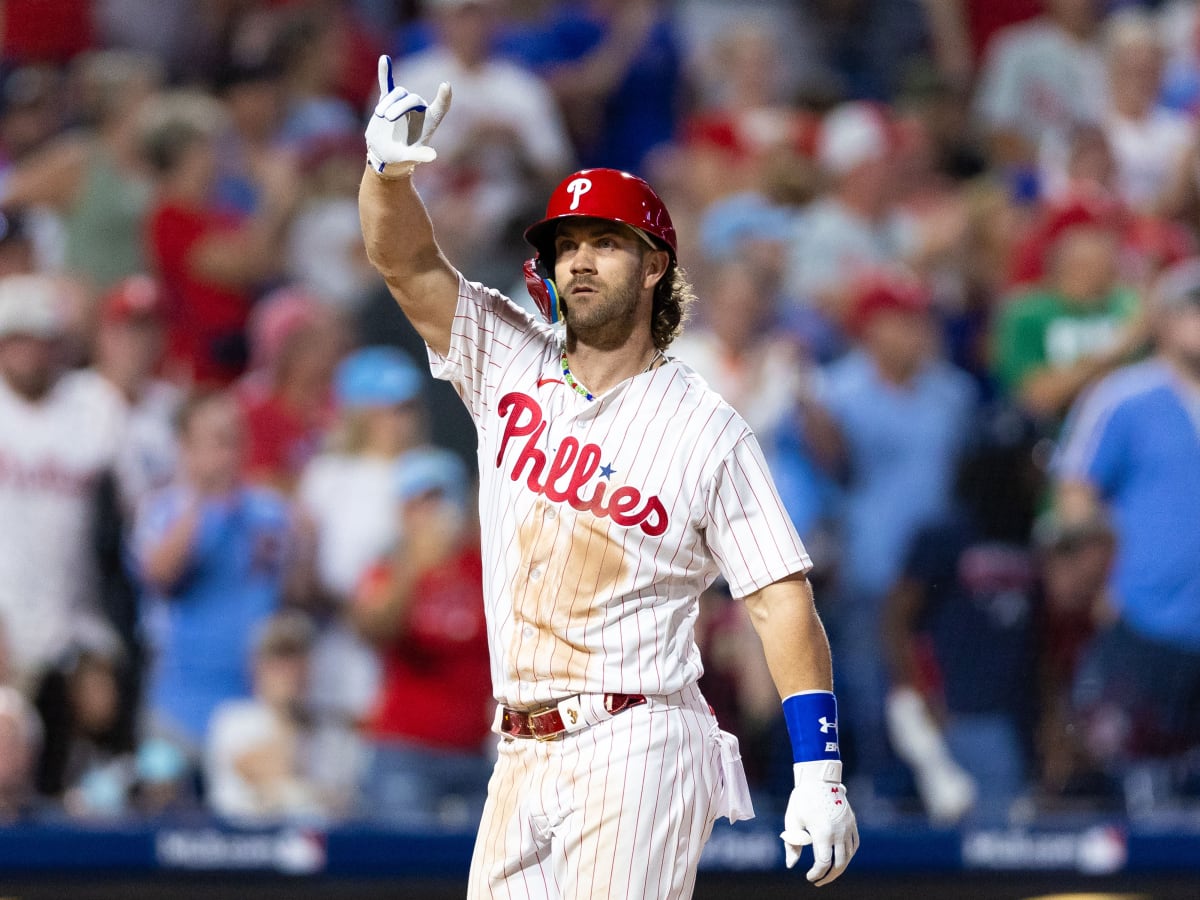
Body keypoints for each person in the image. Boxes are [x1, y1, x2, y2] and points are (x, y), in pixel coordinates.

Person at [359, 58, 858, 895]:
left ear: (656, 265)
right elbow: (407, 265)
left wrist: (820, 770)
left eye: (604, 244)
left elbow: (778, 597)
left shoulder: (706, 428)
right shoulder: (509, 357)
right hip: (517, 746)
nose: (580, 260)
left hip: (639, 738)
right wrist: (385, 176)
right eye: (567, 245)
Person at [1053, 257, 1200, 811]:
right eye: (1193, 308)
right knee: (1136, 786)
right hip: (1143, 615)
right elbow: (1075, 495)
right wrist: (1097, 584)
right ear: (1163, 319)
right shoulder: (1123, 397)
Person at [351, 447, 492, 827]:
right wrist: (413, 567)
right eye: (418, 502)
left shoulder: (485, 569)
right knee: (404, 876)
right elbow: (371, 629)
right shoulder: (388, 567)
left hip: (474, 753)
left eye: (438, 498)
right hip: (405, 751)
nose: (431, 514)